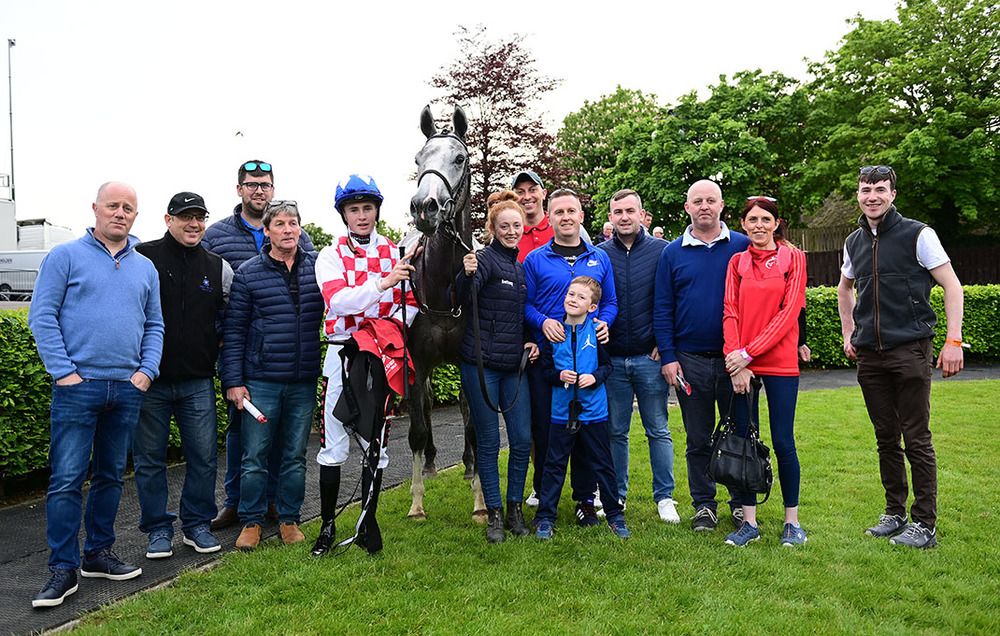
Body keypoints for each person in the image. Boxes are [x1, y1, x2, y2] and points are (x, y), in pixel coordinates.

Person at [28, 182, 164, 608]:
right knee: (67, 479)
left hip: (126, 389)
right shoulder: (65, 256)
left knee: (109, 476)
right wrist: (64, 374)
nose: (120, 213)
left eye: (128, 208)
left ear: (135, 216)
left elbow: (155, 325)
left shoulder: (145, 268)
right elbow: (42, 315)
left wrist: (145, 372)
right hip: (77, 388)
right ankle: (62, 568)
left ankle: (98, 555)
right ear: (96, 209)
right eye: (113, 206)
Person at [837, 165, 964, 549]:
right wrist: (849, 333)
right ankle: (895, 513)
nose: (871, 196)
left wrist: (953, 341)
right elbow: (844, 290)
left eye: (879, 189)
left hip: (910, 349)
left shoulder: (918, 234)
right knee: (885, 438)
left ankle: (925, 524)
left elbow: (952, 286)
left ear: (893, 194)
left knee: (916, 438)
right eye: (864, 189)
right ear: (857, 195)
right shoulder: (854, 241)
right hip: (870, 356)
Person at [203, 160, 314, 531]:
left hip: (297, 369)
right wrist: (230, 369)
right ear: (239, 189)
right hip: (252, 366)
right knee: (245, 442)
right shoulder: (217, 235)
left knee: (289, 447)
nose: (258, 190)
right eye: (251, 184)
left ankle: (278, 510)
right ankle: (239, 507)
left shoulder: (310, 257)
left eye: (265, 184)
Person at [310, 174, 418, 556]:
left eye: (367, 208)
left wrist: (388, 327)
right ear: (343, 214)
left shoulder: (394, 250)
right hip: (341, 355)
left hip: (378, 358)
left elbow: (411, 306)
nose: (361, 216)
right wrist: (382, 285)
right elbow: (337, 302)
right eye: (353, 209)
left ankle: (367, 522)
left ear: (376, 211)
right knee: (334, 443)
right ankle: (326, 526)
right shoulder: (330, 254)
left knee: (376, 443)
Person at [133, 192, 232, 560]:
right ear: (168, 219)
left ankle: (196, 525)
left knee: (204, 456)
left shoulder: (217, 265)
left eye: (199, 217)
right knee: (148, 460)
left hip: (197, 381)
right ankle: (158, 530)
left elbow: (231, 315)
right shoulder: (143, 257)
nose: (194, 224)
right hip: (150, 382)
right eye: (185, 217)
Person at [221, 200, 324, 551]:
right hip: (261, 379)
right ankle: (251, 521)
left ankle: (289, 519)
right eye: (279, 224)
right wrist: (233, 382)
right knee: (255, 455)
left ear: (300, 228)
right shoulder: (249, 273)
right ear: (267, 231)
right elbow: (234, 331)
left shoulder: (318, 267)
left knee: (295, 454)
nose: (287, 230)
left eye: (293, 223)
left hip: (303, 378)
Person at [654, 179, 750, 532]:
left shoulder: (742, 246)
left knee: (740, 432)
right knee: (698, 438)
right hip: (689, 359)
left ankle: (741, 503)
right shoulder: (672, 253)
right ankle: (704, 505)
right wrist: (668, 356)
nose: (705, 206)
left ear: (722, 205)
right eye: (698, 201)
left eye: (711, 200)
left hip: (736, 361)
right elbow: (663, 308)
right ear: (687, 208)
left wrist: (749, 356)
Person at [523, 188, 617, 526]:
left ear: (581, 216)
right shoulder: (535, 259)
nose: (565, 217)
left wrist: (604, 322)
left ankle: (584, 500)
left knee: (587, 434)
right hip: (549, 360)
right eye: (558, 212)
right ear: (550, 217)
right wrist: (543, 322)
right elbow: (527, 305)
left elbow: (610, 303)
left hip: (587, 358)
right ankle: (546, 500)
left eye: (571, 211)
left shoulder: (599, 258)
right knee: (548, 432)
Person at [720, 196, 808, 547]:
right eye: (752, 220)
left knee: (783, 441)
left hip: (780, 362)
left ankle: (792, 522)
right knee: (743, 441)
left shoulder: (794, 258)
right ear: (744, 224)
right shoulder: (737, 262)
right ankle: (749, 522)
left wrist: (748, 353)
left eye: (765, 219)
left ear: (776, 223)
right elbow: (730, 311)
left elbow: (788, 314)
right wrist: (735, 360)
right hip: (742, 365)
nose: (758, 225)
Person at [456, 190, 537, 543]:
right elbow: (462, 294)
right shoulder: (485, 259)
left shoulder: (520, 268)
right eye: (504, 225)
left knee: (521, 439)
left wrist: (531, 339)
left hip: (514, 366)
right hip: (481, 366)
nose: (511, 230)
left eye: (516, 225)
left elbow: (519, 315)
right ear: (492, 227)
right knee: (488, 443)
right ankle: (494, 513)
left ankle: (516, 506)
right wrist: (466, 274)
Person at [598, 189, 678, 523]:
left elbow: (674, 300)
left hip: (650, 357)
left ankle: (665, 497)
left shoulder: (663, 252)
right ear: (611, 217)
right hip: (613, 359)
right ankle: (617, 495)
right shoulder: (600, 254)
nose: (624, 217)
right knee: (615, 431)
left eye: (630, 210)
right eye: (618, 212)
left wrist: (667, 343)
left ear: (642, 214)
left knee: (657, 429)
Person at [534, 276, 629, 540]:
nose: (573, 300)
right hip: (561, 410)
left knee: (602, 462)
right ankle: (545, 517)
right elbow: (545, 370)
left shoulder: (598, 332)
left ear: (592, 307)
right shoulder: (554, 332)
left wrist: (595, 377)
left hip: (594, 410)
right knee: (554, 464)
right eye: (570, 294)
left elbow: (607, 366)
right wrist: (559, 376)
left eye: (580, 297)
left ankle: (614, 515)